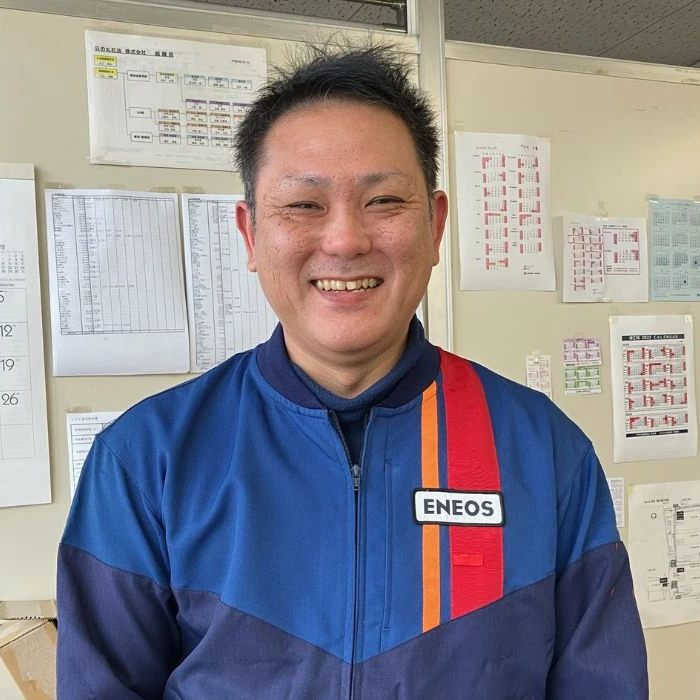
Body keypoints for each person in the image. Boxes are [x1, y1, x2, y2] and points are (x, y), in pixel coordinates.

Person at [57, 44, 648, 698]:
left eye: (384, 200)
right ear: (250, 234)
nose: (344, 240)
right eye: (304, 205)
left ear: (435, 226)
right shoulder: (148, 457)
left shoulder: (544, 450)